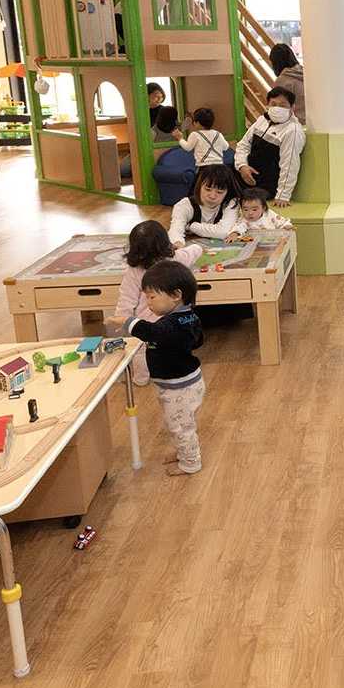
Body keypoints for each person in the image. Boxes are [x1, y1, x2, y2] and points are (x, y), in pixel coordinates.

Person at [127, 260, 206, 476]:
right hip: (183, 383)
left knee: (180, 426)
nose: (148, 304)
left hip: (179, 387)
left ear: (176, 295)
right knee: (180, 423)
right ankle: (184, 453)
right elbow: (198, 340)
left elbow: (152, 332)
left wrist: (129, 322)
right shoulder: (188, 316)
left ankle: (191, 462)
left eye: (152, 297)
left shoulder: (169, 324)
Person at [107, 221, 204, 385]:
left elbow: (127, 299)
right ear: (165, 243)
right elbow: (197, 249)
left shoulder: (134, 270)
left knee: (141, 349)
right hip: (172, 317)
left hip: (145, 321)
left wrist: (122, 319)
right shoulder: (176, 258)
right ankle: (168, 373)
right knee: (170, 348)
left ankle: (141, 379)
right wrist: (179, 246)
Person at [233, 87, 306, 205]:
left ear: (292, 108)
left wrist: (283, 195)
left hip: (266, 185)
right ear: (268, 105)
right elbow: (243, 145)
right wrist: (242, 166)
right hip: (245, 174)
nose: (277, 108)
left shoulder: (293, 131)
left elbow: (289, 164)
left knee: (240, 199)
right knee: (216, 178)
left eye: (282, 105)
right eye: (273, 104)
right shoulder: (262, 120)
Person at [170, 164, 237, 243]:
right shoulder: (184, 205)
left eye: (219, 192)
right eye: (208, 189)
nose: (212, 196)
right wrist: (178, 242)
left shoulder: (231, 203)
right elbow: (175, 231)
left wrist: (192, 226)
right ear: (199, 186)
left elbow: (223, 232)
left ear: (227, 192)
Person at [268, 43, 307, 123]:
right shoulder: (305, 74)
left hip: (294, 124)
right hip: (312, 122)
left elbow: (278, 112)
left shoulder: (282, 81)